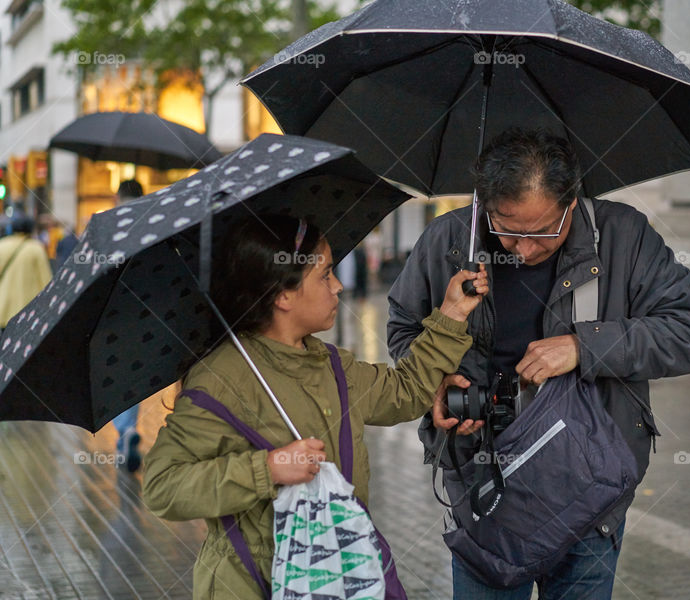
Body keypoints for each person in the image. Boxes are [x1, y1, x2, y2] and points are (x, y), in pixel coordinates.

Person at [387, 127, 690, 598]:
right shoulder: (448, 239)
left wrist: (585, 347)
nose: (523, 249)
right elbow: (402, 329)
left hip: (587, 489)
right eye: (507, 229)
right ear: (486, 204)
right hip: (484, 485)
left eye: (541, 232)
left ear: (571, 201)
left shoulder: (622, 235)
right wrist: (435, 384)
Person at [142, 215, 488, 599]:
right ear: (283, 294)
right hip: (248, 584)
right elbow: (163, 486)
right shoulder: (217, 380)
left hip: (340, 575)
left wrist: (452, 314)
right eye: (324, 275)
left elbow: (403, 392)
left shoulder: (332, 364)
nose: (338, 286)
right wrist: (267, 469)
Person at [111, 179, 146, 471]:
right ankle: (129, 429)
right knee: (136, 372)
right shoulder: (153, 224)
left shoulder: (108, 225)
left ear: (118, 196)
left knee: (115, 373)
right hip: (145, 313)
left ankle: (126, 429)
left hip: (113, 313)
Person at [0, 215, 53, 330]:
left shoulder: (2, 246)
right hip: (27, 308)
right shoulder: (36, 248)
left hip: (3, 307)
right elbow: (45, 280)